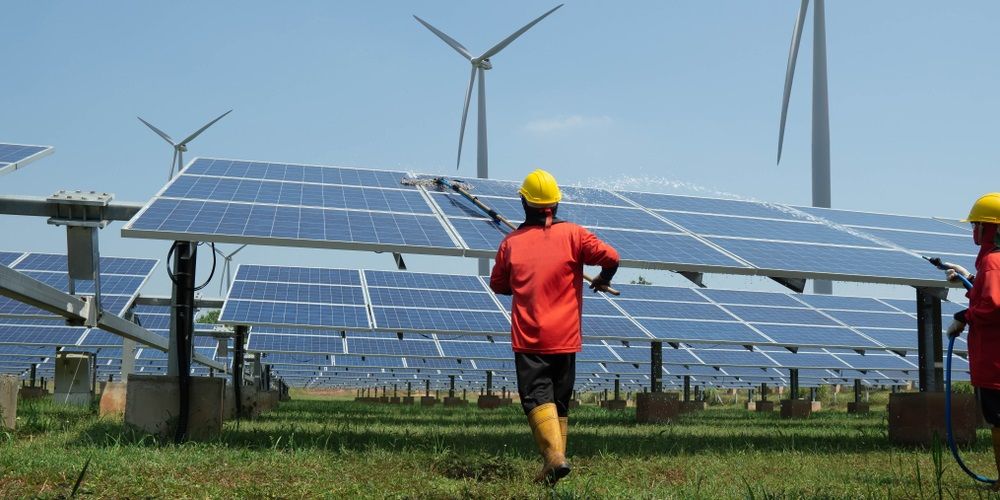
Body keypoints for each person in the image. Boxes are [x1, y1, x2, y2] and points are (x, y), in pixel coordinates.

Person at [489, 169, 620, 485]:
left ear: (524, 203)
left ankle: (554, 458)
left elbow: (498, 285)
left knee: (537, 398)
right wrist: (603, 279)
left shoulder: (511, 244)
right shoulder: (575, 235)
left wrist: (521, 284)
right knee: (558, 402)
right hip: (567, 338)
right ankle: (555, 465)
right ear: (556, 203)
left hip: (531, 340)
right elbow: (612, 257)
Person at [943, 192, 1000, 487]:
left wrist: (964, 317)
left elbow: (993, 305)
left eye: (977, 224)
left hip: (995, 362)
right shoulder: (992, 263)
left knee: (998, 419)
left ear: (991, 229)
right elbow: (988, 294)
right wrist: (969, 278)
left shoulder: (992, 262)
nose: (973, 231)